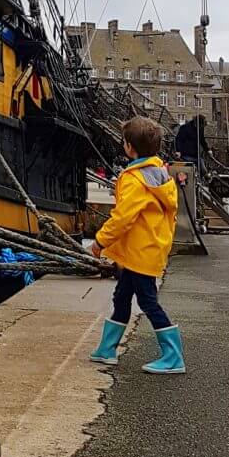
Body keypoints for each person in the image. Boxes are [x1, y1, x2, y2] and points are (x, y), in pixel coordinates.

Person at [88, 116, 185, 374]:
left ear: (129, 147)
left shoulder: (135, 179)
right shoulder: (159, 174)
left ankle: (173, 356)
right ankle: (107, 349)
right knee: (121, 296)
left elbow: (123, 216)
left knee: (148, 301)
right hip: (146, 249)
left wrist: (100, 240)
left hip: (139, 252)